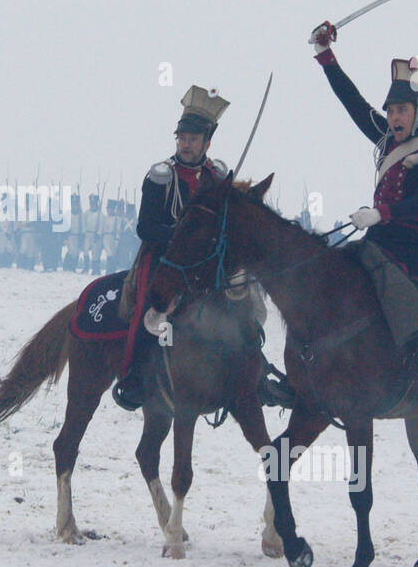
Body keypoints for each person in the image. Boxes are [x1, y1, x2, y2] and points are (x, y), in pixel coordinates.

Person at [113, 85, 291, 410]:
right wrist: (182, 238)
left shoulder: (218, 174)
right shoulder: (161, 175)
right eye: (182, 138)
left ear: (207, 143)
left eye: (193, 139)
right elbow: (145, 227)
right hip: (165, 256)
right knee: (150, 306)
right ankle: (136, 375)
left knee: (241, 301)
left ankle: (257, 376)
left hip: (206, 259)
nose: (186, 144)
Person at [310, 21, 418, 388]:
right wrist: (325, 56)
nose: (394, 118)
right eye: (390, 111)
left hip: (412, 248)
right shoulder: (385, 138)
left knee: (404, 290)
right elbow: (352, 101)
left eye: (402, 110)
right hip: (377, 239)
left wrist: (381, 214)